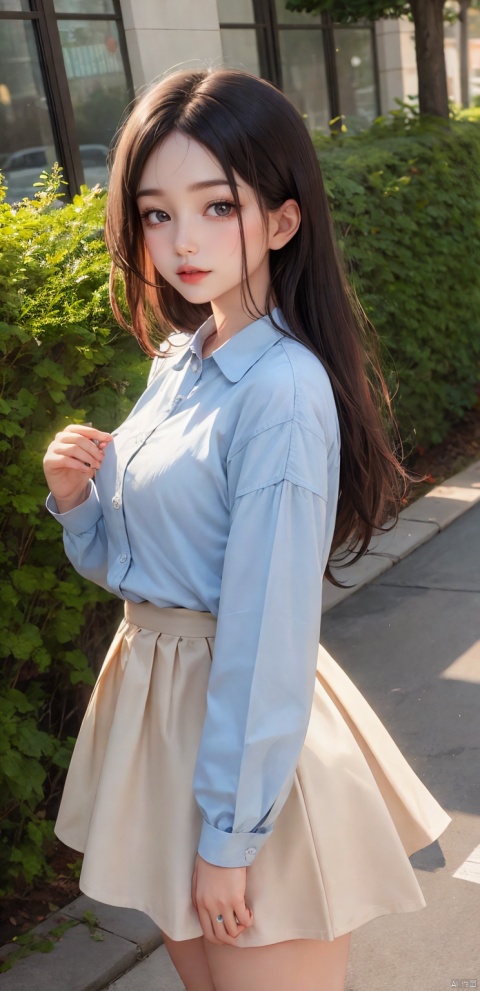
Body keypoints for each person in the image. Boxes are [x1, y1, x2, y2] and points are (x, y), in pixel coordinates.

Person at [43, 68, 451, 991]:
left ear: (282, 219)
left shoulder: (281, 389)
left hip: (242, 745)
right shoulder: (182, 360)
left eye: (216, 206)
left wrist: (230, 834)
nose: (182, 241)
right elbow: (142, 568)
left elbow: (268, 626)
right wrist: (79, 503)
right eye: (155, 214)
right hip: (163, 729)